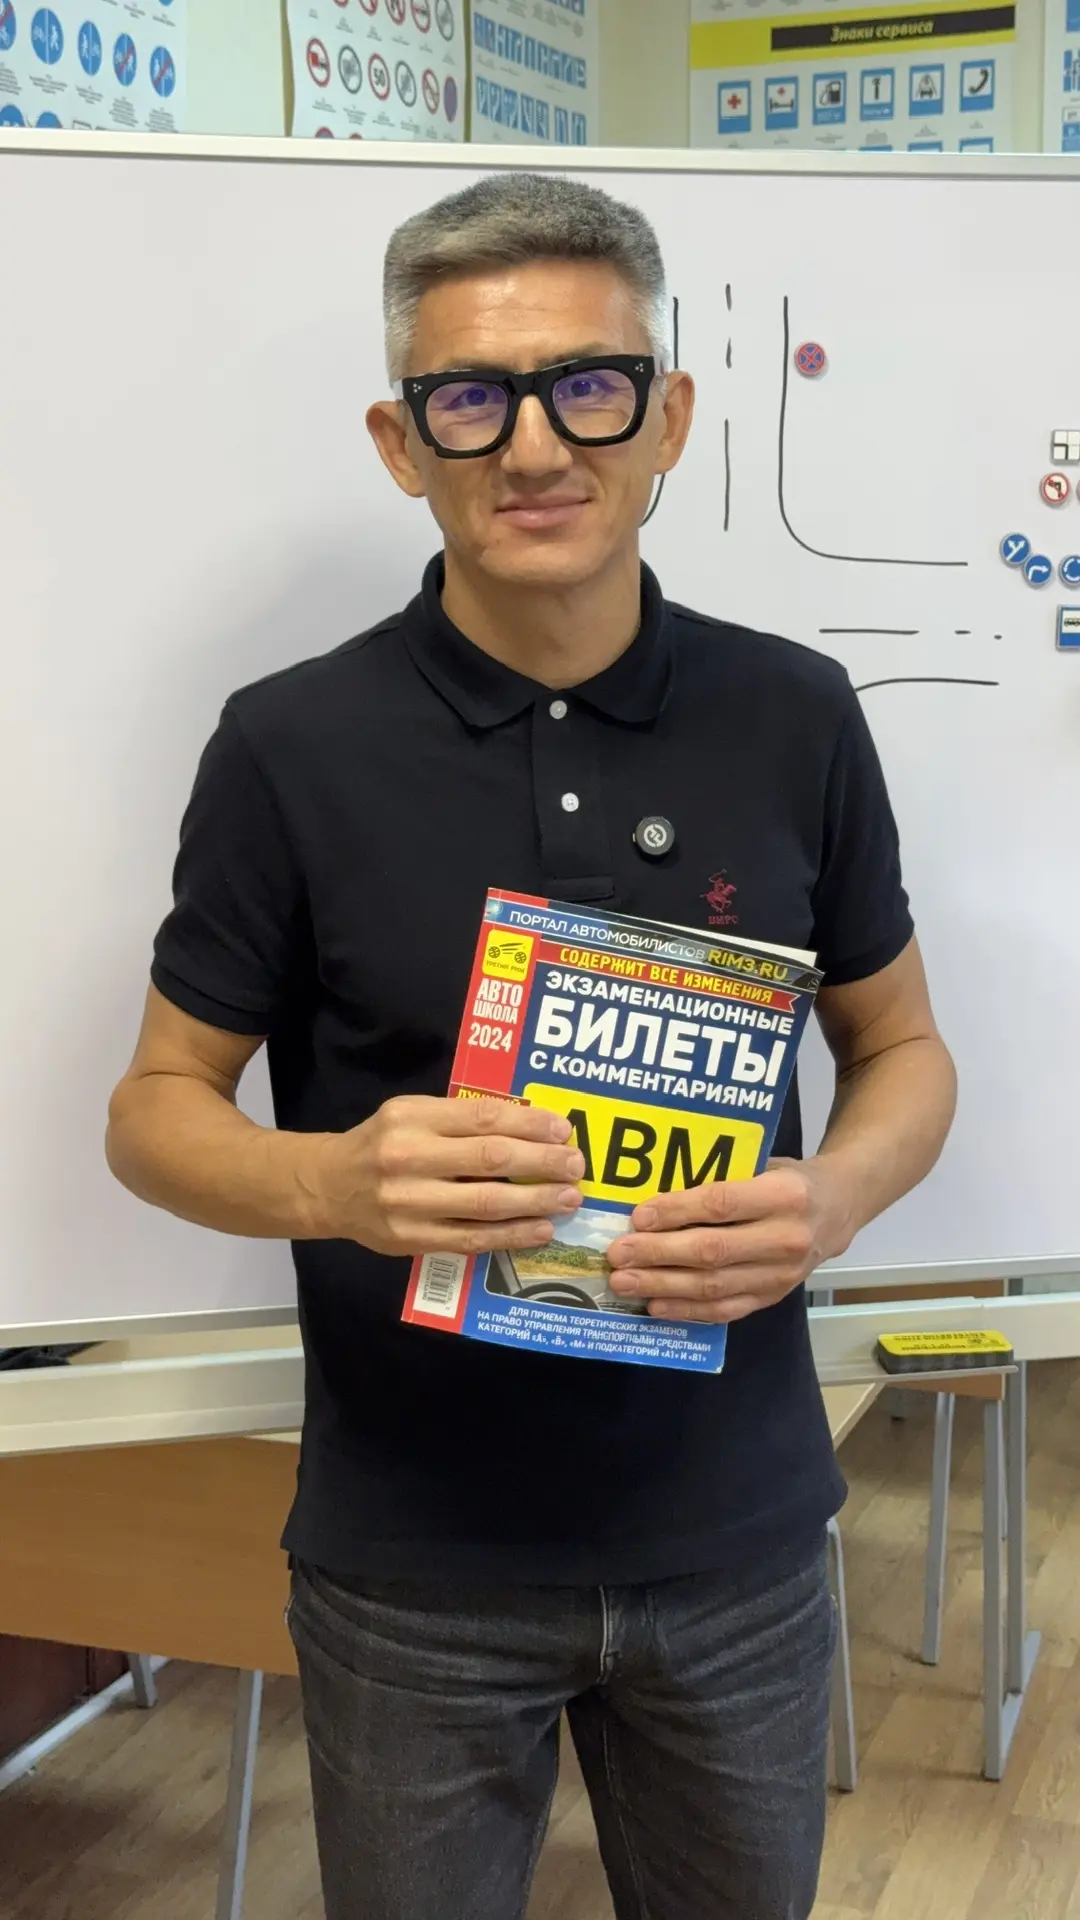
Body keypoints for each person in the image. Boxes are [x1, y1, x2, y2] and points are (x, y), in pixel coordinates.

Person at [106, 171, 956, 1920]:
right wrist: (331, 1181)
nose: (536, 446)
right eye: (469, 401)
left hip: (737, 1540)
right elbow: (154, 1107)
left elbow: (906, 1046)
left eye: (590, 386)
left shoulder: (795, 713)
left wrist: (835, 1201)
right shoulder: (289, 744)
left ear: (670, 419)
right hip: (413, 1564)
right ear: (400, 442)